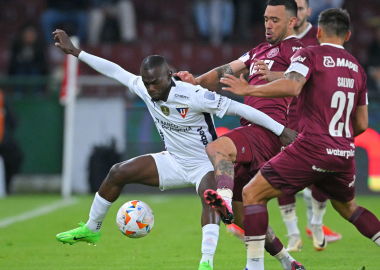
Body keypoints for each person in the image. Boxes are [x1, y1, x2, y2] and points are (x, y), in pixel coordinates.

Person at [52, 29, 297, 270]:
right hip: (173, 161)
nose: (151, 89)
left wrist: (280, 130)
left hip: (205, 163)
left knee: (217, 205)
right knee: (118, 172)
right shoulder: (144, 88)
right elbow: (115, 70)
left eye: (156, 82)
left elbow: (242, 109)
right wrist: (76, 52)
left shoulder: (194, 95)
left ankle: (206, 263)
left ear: (169, 75)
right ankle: (92, 229)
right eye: (147, 84)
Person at [221, 8, 380, 270]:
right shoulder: (358, 69)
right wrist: (338, 140)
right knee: (349, 209)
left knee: (251, 193)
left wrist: (249, 88)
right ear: (347, 35)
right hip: (344, 151)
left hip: (311, 147)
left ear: (319, 32)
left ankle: (254, 266)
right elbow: (362, 124)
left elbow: (292, 85)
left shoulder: (309, 54)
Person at [175, 1, 306, 269]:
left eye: (275, 20)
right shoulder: (259, 50)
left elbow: (296, 83)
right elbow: (226, 70)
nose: (268, 25)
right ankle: (288, 261)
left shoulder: (298, 50)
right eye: (266, 19)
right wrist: (196, 82)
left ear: (292, 22)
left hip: (268, 129)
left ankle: (222, 199)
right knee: (246, 211)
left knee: (215, 149)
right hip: (252, 129)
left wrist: (268, 77)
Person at [275, 0, 342, 253]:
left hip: (317, 112)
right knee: (282, 173)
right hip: (287, 112)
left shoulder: (320, 37)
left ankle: (316, 223)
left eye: (301, 9)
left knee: (321, 172)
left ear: (307, 13)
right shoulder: (278, 39)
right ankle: (292, 233)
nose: (297, 14)